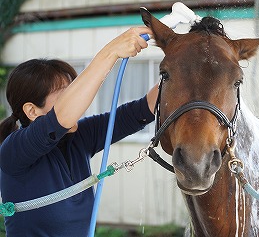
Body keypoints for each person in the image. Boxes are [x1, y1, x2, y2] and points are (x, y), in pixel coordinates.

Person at [0, 26, 158, 236]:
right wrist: (111, 52)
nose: (80, 102)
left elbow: (141, 110)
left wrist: (183, 58)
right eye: (64, 95)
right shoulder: (14, 151)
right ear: (31, 110)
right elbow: (60, 118)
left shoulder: (79, 138)